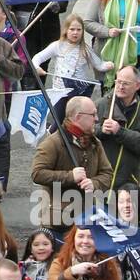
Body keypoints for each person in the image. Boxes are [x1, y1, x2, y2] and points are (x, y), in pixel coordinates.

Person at [30, 96, 114, 229]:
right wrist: (70, 176)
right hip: (57, 223)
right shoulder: (52, 143)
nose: (97, 119)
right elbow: (37, 174)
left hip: (87, 220)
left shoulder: (95, 143)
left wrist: (94, 183)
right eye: (93, 115)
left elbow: (107, 173)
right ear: (78, 117)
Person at [92, 64, 140, 190]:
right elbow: (84, 132)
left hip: (128, 181)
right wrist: (100, 130)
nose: (121, 86)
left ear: (137, 85)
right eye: (118, 82)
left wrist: (120, 132)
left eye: (126, 83)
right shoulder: (100, 105)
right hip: (98, 178)